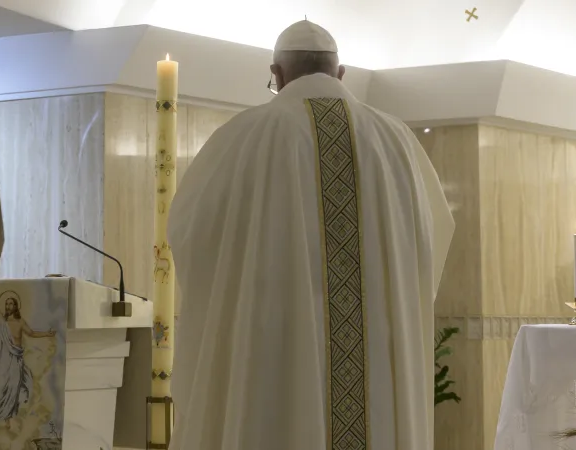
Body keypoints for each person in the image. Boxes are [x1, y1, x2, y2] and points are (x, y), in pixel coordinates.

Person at [167, 20, 455, 450]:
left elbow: (192, 230)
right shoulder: (395, 140)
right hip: (378, 344)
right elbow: (433, 235)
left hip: (273, 340)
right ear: (342, 74)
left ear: (276, 74)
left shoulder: (245, 136)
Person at [0, 292, 56, 428]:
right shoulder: (0, 323)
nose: (8, 306)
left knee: (14, 387)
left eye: (11, 303)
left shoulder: (20, 322)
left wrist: (47, 333)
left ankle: (8, 418)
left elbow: (31, 333)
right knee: (0, 385)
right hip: (3, 358)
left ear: (16, 306)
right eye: (6, 304)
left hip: (16, 358)